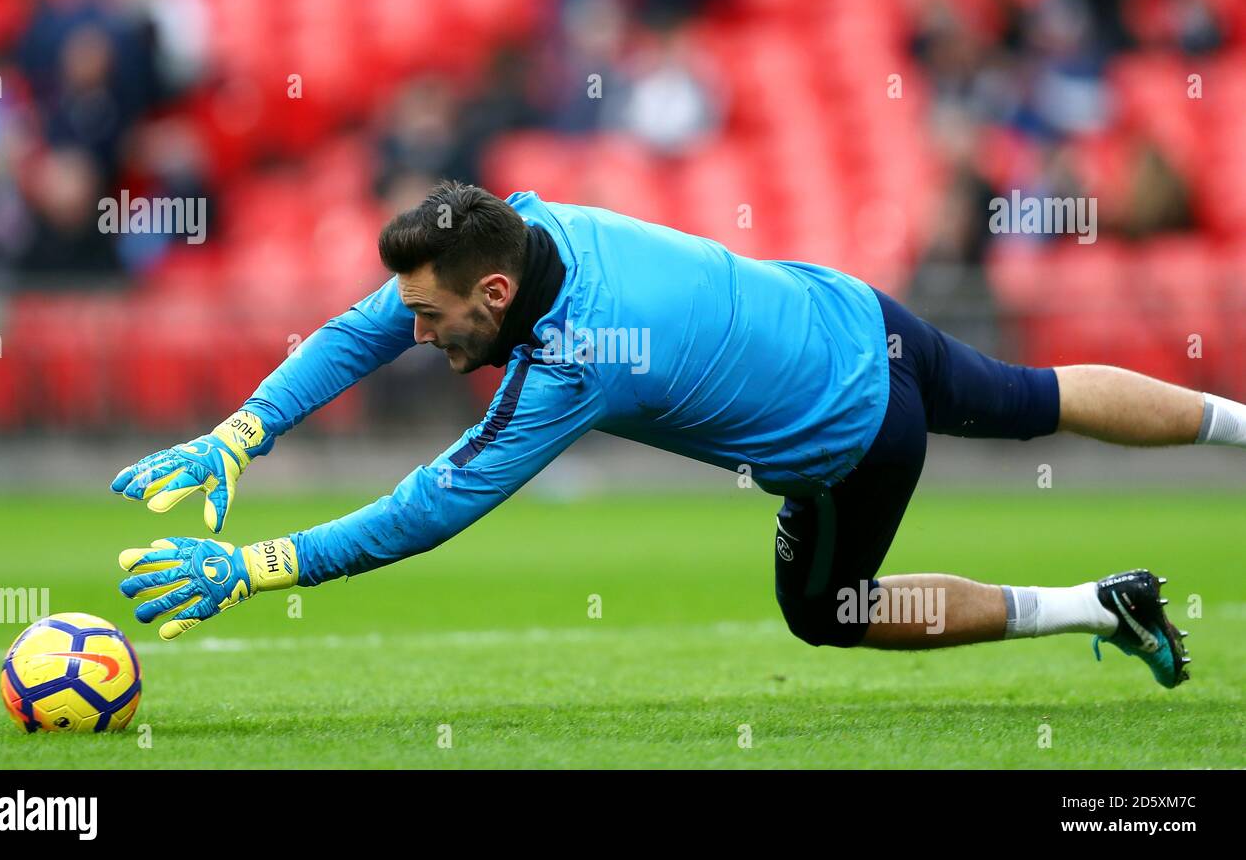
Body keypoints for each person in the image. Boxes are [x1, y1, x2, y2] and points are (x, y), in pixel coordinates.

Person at [111, 182, 1219, 689]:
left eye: (432, 318)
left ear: (494, 290)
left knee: (830, 614)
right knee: (1035, 392)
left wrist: (255, 565)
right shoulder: (527, 217)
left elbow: (434, 500)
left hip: (856, 436)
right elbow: (360, 331)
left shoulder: (580, 354)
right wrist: (237, 436)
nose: (413, 331)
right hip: (860, 315)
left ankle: (1089, 604)